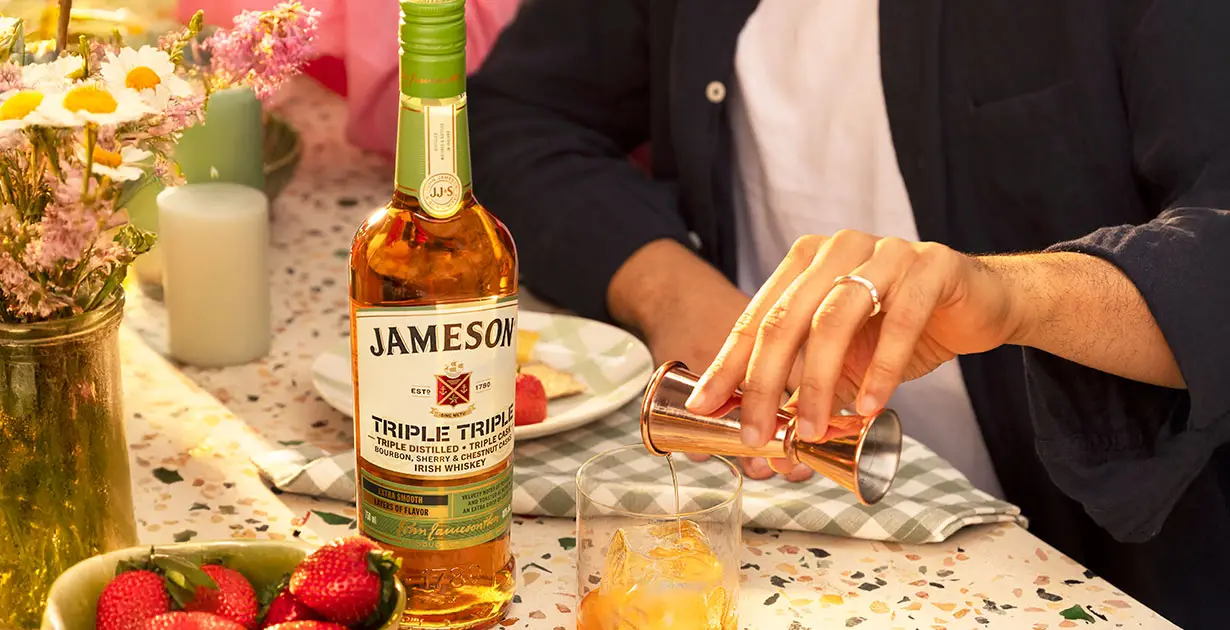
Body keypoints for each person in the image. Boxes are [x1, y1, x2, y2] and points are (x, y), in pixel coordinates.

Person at [465, 1, 1230, 627]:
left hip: (1107, 571)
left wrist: (1015, 296)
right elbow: (515, 117)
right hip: (790, 525)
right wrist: (673, 291)